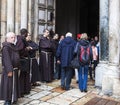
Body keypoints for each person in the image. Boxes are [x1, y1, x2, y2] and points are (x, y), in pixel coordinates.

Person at [0, 32, 21, 105]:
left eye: (14, 37)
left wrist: (18, 67)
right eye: (12, 37)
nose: (14, 39)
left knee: (13, 84)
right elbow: (6, 60)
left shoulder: (14, 46)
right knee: (8, 85)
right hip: (9, 70)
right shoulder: (6, 47)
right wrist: (9, 70)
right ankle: (7, 100)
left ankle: (13, 97)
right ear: (7, 39)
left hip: (15, 69)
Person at [15, 28, 31, 96]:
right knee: (22, 76)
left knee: (24, 75)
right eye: (27, 33)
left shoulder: (20, 38)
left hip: (23, 59)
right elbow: (19, 49)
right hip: (22, 60)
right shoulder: (21, 39)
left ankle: (25, 90)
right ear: (25, 33)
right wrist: (27, 49)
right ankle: (21, 91)